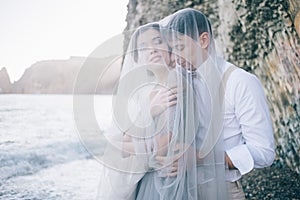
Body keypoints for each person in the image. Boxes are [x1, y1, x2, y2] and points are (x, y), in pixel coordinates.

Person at [162, 8, 275, 199]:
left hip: (224, 191)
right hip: (181, 190)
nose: (175, 58)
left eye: (180, 47)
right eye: (172, 51)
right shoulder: (179, 82)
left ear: (203, 40)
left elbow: (264, 152)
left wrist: (198, 158)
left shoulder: (240, 82)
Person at [96, 23, 179, 200]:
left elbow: (168, 144)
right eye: (143, 47)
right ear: (137, 58)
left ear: (170, 48)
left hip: (170, 180)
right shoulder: (141, 95)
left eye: (158, 41)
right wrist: (149, 112)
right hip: (144, 181)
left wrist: (137, 145)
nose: (152, 50)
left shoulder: (177, 88)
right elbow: (119, 145)